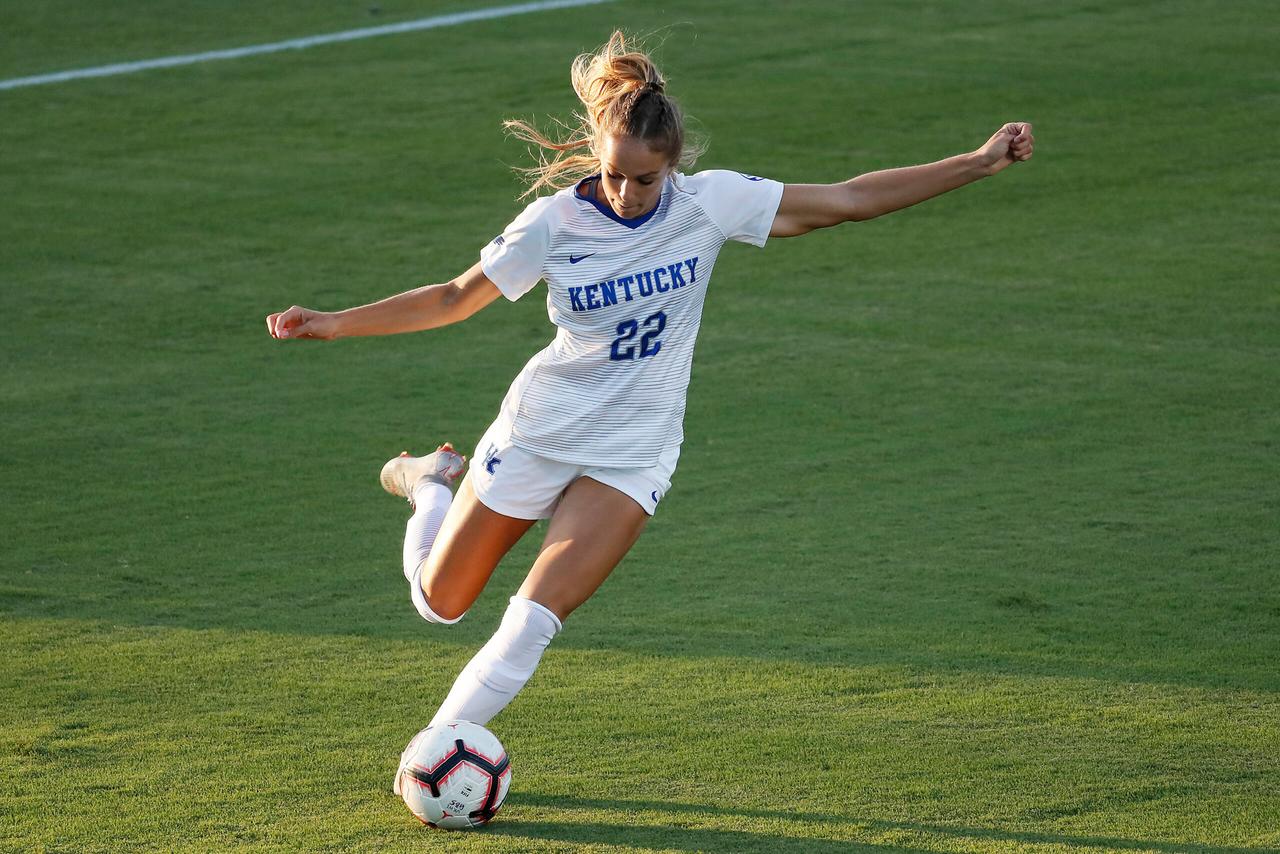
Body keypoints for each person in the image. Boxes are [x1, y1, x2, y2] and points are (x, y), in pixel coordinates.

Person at [266, 31, 1033, 782]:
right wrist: (337, 321)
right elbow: (454, 298)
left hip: (632, 453)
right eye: (613, 176)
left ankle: (433, 755)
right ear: (596, 153)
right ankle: (430, 482)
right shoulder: (555, 224)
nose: (626, 194)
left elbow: (850, 199)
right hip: (539, 432)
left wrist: (979, 161)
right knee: (440, 604)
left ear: (674, 166)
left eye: (644, 180)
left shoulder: (711, 205)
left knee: (531, 622)